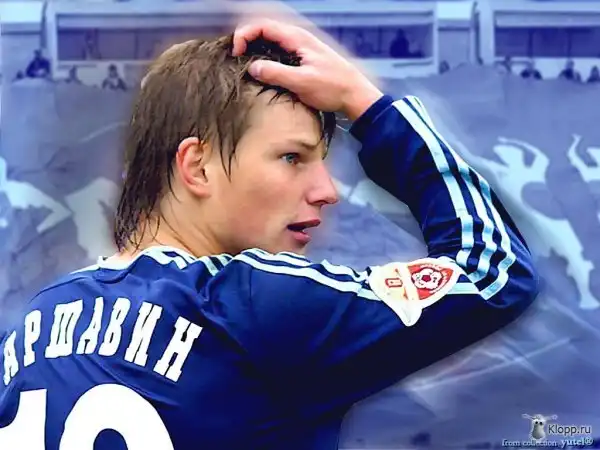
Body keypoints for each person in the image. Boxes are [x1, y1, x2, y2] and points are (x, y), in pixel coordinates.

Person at [0, 18, 538, 450]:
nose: (327, 191)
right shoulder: (253, 302)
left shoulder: (32, 329)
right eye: (292, 158)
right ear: (198, 166)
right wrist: (365, 102)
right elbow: (494, 270)